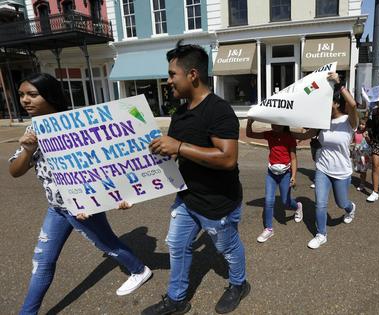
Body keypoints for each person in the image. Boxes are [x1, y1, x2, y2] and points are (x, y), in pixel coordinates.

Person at [10, 73, 152, 315]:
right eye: (22, 95)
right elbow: (15, 170)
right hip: (56, 208)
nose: (25, 100)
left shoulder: (78, 125)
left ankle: (139, 270)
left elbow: (103, 164)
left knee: (109, 245)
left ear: (51, 96)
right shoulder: (32, 130)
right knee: (42, 262)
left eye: (33, 95)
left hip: (83, 206)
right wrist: (27, 149)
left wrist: (102, 198)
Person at [144, 41, 249, 315]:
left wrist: (178, 146)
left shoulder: (219, 110)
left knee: (227, 248)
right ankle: (177, 300)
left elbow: (228, 158)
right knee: (177, 246)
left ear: (193, 75)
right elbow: (174, 156)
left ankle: (238, 284)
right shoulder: (179, 113)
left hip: (218, 203)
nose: (168, 81)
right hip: (187, 198)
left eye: (171, 74)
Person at [293, 73, 358, 249]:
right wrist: (285, 132)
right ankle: (321, 234)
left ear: (336, 103)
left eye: (327, 101)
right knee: (320, 204)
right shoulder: (321, 122)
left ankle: (350, 208)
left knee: (341, 203)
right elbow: (305, 135)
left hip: (342, 171)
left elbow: (352, 104)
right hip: (322, 168)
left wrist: (339, 84)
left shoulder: (349, 121)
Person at [245, 119, 303, 243]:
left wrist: (294, 176)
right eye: (273, 123)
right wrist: (250, 123)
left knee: (285, 202)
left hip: (285, 174)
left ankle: (298, 206)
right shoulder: (269, 134)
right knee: (269, 201)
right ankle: (269, 229)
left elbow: (293, 158)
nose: (274, 126)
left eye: (277, 123)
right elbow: (249, 134)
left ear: (283, 124)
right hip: (271, 174)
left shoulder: (289, 137)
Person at [351, 118, 372, 192]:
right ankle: (362, 179)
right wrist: (352, 145)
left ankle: (362, 183)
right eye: (360, 124)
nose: (361, 125)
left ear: (366, 125)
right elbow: (353, 141)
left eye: (363, 124)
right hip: (356, 153)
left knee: (363, 170)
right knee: (357, 169)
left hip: (364, 153)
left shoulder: (367, 132)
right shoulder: (356, 132)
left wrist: (366, 136)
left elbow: (370, 142)